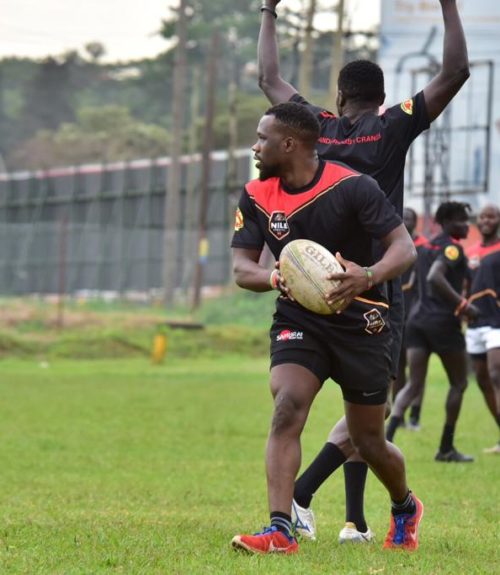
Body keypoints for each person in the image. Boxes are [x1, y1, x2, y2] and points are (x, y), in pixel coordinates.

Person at [258, 0, 469, 541]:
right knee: (358, 418)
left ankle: (345, 510)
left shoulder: (317, 127)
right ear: (381, 95)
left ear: (339, 96)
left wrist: (268, 10)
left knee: (360, 425)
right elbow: (455, 72)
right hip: (375, 284)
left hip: (316, 284)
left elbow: (269, 80)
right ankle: (303, 509)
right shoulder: (392, 124)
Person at [230, 102, 421, 555]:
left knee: (368, 441)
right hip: (299, 318)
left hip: (362, 322)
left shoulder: (353, 186)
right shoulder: (256, 194)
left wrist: (367, 275)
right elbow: (241, 268)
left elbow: (404, 249)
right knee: (287, 406)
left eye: (262, 139)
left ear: (289, 144)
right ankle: (281, 530)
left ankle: (405, 506)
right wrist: (276, 278)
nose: (254, 147)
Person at [385, 201, 478, 462]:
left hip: (416, 321)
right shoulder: (452, 249)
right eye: (461, 220)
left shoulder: (425, 248)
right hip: (443, 323)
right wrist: (463, 305)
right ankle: (446, 448)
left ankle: (386, 439)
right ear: (446, 222)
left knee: (413, 383)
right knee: (459, 383)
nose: (466, 225)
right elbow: (434, 277)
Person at [465, 204, 500, 454]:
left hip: (496, 321)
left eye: (492, 216)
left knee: (496, 373)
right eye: (483, 216)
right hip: (475, 323)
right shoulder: (470, 253)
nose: (487, 220)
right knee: (482, 379)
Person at [393, 207, 429, 430]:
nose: (406, 221)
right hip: (397, 314)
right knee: (397, 369)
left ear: (416, 222)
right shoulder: (393, 244)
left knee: (417, 372)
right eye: (402, 217)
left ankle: (415, 415)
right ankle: (399, 418)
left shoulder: (423, 248)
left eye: (410, 218)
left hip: (416, 317)